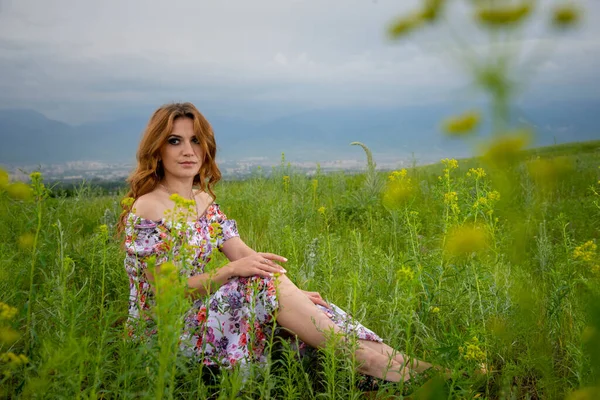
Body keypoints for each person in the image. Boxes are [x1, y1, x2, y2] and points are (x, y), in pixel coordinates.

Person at [117, 102, 439, 391]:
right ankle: (376, 365)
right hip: (167, 333)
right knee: (260, 285)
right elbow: (166, 292)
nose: (188, 150)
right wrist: (230, 271)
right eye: (175, 140)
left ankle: (422, 368)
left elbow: (246, 256)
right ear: (157, 148)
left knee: (306, 305)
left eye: (196, 140)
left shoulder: (203, 201)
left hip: (206, 313)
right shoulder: (148, 208)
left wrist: (294, 295)